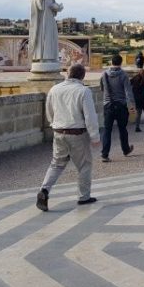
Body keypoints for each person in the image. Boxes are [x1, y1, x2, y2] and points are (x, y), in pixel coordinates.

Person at [36, 64, 100, 211]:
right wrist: (95, 136)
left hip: (59, 132)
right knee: (84, 165)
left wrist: (54, 124)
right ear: (82, 76)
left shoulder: (55, 89)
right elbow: (90, 116)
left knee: (56, 164)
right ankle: (84, 196)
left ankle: (44, 190)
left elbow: (49, 110)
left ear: (67, 74)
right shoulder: (83, 91)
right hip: (77, 133)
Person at [99, 54, 135, 162]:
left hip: (108, 105)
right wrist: (132, 106)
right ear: (121, 62)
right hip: (121, 105)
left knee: (107, 130)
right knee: (122, 129)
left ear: (111, 62)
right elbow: (128, 92)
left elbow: (102, 88)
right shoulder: (123, 75)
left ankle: (105, 154)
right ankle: (125, 149)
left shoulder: (104, 74)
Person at [29, 0, 64, 64]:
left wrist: (56, 7)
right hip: (41, 20)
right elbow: (33, 2)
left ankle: (51, 57)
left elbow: (51, 4)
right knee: (44, 37)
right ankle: (43, 58)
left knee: (50, 37)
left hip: (49, 19)